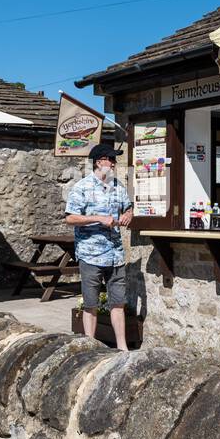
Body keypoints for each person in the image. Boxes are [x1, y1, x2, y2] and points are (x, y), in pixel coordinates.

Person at [65, 143, 133, 351]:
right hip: (91, 254)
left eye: (114, 159)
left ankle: (122, 348)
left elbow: (129, 207)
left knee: (118, 303)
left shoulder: (118, 187)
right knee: (91, 304)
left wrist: (128, 215)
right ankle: (90, 347)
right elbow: (70, 218)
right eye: (110, 159)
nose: (113, 163)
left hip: (115, 254)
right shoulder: (82, 187)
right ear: (99, 162)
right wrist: (98, 219)